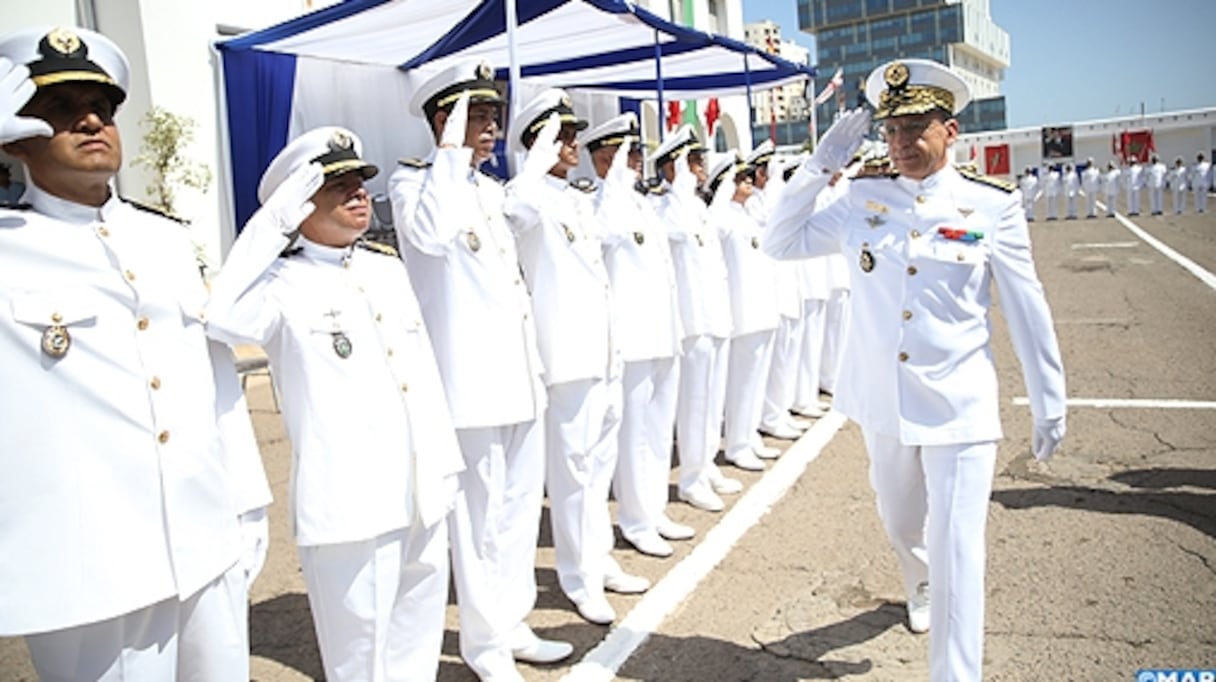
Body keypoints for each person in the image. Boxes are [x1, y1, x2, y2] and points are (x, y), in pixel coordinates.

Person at [764, 58, 1067, 682]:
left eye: (916, 128)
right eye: (892, 130)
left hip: (959, 406)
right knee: (903, 523)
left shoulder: (991, 206)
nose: (900, 143)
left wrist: (1050, 400)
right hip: (882, 401)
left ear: (950, 130)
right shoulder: (862, 198)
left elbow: (1025, 303)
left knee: (961, 553)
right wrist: (819, 169)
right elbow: (780, 242)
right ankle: (917, 578)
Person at [0, 25, 271, 680]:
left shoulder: (165, 239)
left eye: (102, 106)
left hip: (202, 536)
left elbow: (215, 380)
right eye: (59, 109)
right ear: (15, 133)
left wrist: (248, 497)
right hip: (90, 563)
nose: (90, 120)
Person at [205, 126, 465, 680]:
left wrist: (446, 467)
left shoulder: (384, 268)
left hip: (423, 484)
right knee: (360, 657)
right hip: (351, 501)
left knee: (416, 639)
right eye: (336, 186)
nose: (358, 194)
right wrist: (272, 223)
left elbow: (419, 375)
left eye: (359, 182)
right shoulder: (278, 284)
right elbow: (224, 317)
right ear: (297, 205)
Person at [388, 59, 568, 681]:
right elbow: (432, 235)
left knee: (517, 513)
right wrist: (447, 155)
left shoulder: (490, 191)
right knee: (480, 522)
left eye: (493, 116)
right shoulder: (414, 185)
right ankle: (485, 648)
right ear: (446, 120)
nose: (493, 128)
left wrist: (538, 166)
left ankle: (512, 624)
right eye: (480, 116)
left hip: (518, 377)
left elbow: (524, 216)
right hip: (469, 386)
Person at [502, 90, 640, 626]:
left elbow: (616, 231)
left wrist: (621, 174)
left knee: (598, 465)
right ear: (537, 144)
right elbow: (514, 211)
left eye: (571, 135)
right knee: (574, 473)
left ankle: (598, 559)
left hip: (603, 351)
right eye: (560, 137)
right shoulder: (527, 197)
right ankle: (577, 577)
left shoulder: (577, 198)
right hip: (566, 356)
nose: (572, 145)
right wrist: (532, 164)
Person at [582, 112, 694, 559]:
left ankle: (653, 510)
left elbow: (683, 228)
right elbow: (606, 233)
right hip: (631, 337)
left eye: (636, 154)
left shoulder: (643, 201)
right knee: (633, 436)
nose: (636, 163)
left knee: (656, 428)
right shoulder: (596, 202)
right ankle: (634, 518)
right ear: (604, 161)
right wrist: (612, 181)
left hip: (662, 330)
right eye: (627, 155)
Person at [649, 125, 743, 514]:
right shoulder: (664, 207)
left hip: (713, 315)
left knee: (711, 399)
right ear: (674, 167)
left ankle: (703, 465)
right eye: (693, 160)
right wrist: (679, 190)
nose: (702, 166)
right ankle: (690, 478)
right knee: (694, 401)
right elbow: (672, 233)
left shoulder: (696, 206)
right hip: (690, 322)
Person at [709, 151, 780, 472]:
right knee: (741, 383)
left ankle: (749, 436)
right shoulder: (721, 218)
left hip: (760, 306)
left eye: (749, 176)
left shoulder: (748, 214)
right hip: (741, 312)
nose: (748, 181)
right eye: (739, 178)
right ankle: (737, 443)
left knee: (756, 379)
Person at [752, 146, 813, 441]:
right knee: (774, 362)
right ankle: (771, 415)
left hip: (789, 287)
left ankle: (780, 411)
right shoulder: (759, 204)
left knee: (787, 356)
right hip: (769, 294)